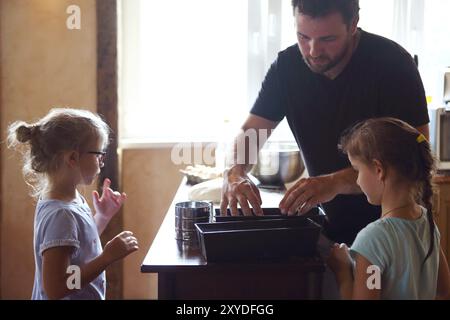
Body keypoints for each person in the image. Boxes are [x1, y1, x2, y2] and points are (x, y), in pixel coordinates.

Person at [220, 0, 430, 245]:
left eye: (327, 39)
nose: (313, 51)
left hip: (395, 232)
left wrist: (334, 182)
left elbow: (416, 160)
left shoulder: (393, 65)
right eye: (303, 36)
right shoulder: (286, 69)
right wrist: (235, 172)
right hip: (332, 232)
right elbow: (250, 134)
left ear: (353, 24)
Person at [7, 108, 139, 300]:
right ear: (73, 158)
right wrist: (106, 258)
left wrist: (102, 217)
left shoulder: (70, 199)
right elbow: (57, 287)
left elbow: (79, 247)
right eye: (98, 154)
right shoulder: (61, 214)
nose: (102, 162)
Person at [327, 117, 450, 299]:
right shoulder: (427, 223)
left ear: (378, 170)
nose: (358, 180)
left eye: (357, 170)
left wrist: (343, 274)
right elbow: (444, 291)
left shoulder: (372, 241)